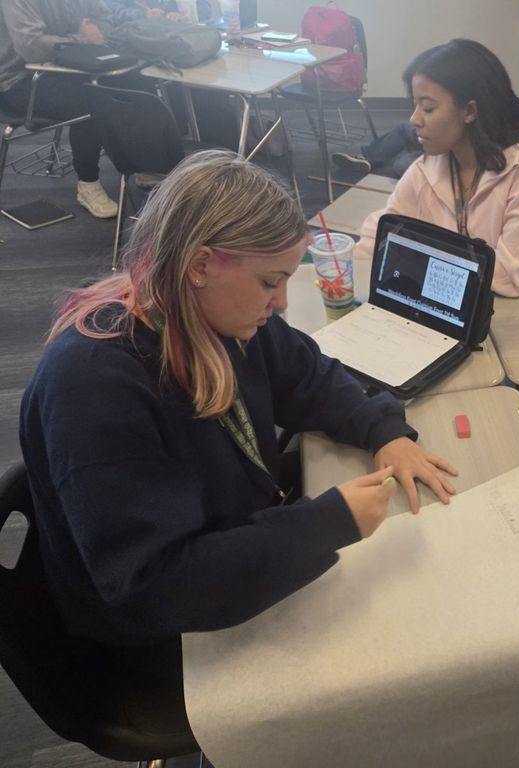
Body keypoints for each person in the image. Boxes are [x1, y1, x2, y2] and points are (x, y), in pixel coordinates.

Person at [19, 151, 458, 728]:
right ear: (201, 264)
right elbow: (155, 584)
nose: (279, 303)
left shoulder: (209, 313)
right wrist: (329, 522)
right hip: (158, 633)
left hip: (228, 542)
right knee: (403, 675)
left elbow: (311, 376)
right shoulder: (92, 385)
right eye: (270, 282)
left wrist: (385, 432)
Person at [354, 39, 519, 298]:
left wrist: (414, 264)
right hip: (468, 300)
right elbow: (385, 230)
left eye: (428, 107)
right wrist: (349, 267)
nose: (415, 119)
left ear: (469, 111)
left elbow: (511, 277)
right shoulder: (431, 165)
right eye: (415, 104)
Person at [0, 0, 122, 217]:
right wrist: (84, 38)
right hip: (17, 80)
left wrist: (90, 36)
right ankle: (88, 183)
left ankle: (140, 168)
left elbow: (107, 19)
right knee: (92, 102)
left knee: (129, 83)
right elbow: (32, 47)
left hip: (67, 69)